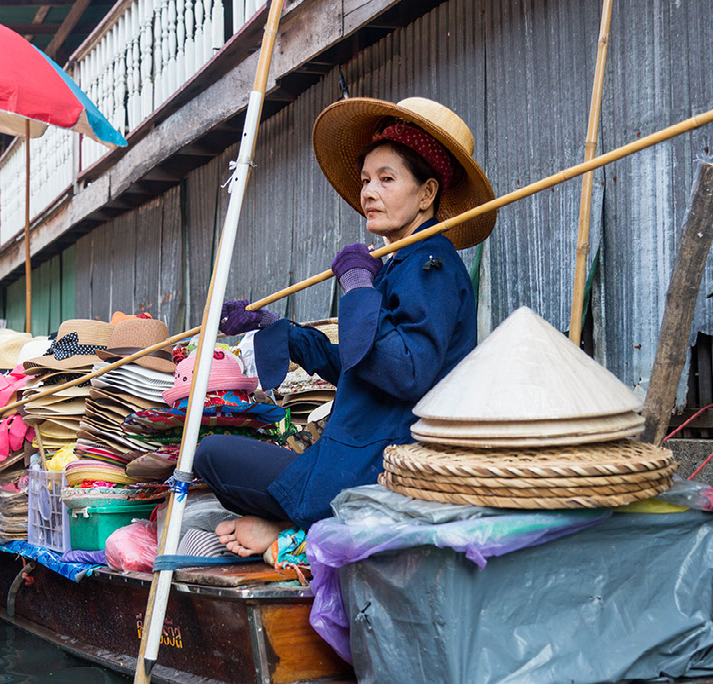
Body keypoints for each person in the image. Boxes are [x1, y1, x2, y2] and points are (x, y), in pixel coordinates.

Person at [195, 97, 497, 557]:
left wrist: (357, 287)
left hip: (379, 464)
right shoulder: (401, 263)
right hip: (349, 452)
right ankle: (291, 522)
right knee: (211, 453)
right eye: (366, 180)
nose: (368, 192)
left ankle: (294, 528)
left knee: (210, 456)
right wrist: (278, 327)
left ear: (427, 193)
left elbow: (406, 373)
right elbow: (357, 364)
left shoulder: (431, 266)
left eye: (387, 179)